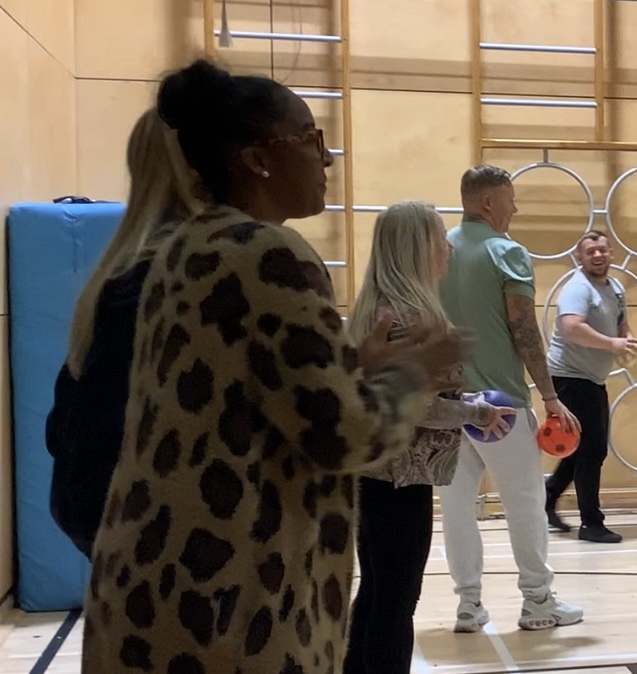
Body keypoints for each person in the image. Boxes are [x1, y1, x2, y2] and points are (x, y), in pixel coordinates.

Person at [79, 59, 466, 674]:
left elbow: (252, 396)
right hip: (224, 605)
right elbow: (343, 437)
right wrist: (412, 375)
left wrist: (357, 364)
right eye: (310, 139)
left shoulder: (184, 249)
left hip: (156, 589)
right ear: (257, 160)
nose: (326, 158)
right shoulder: (269, 254)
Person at [343, 200, 515, 674]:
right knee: (395, 603)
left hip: (374, 475)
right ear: (418, 247)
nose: (448, 248)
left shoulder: (379, 308)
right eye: (440, 238)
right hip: (399, 478)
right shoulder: (409, 316)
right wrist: (475, 411)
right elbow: (413, 404)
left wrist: (465, 400)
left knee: (377, 595)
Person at [46, 107, 203, 556]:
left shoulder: (122, 275)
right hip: (161, 541)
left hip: (131, 534)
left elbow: (65, 427)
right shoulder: (175, 280)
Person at [437, 164, 585, 632]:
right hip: (500, 406)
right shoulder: (508, 252)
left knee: (456, 510)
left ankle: (468, 606)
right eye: (510, 199)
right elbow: (524, 331)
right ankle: (538, 602)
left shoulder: (436, 250)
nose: (515, 208)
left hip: (445, 404)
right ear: (488, 202)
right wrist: (551, 396)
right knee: (524, 505)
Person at [544, 231, 637, 544]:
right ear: (580, 257)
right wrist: (612, 344)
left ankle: (547, 498)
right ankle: (591, 524)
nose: (597, 256)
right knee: (592, 450)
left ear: (611, 253)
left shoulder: (615, 288)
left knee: (580, 448)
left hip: (592, 378)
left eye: (602, 250)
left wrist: (627, 341)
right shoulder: (578, 288)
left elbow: (621, 322)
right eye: (590, 252)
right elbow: (571, 328)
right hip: (570, 376)